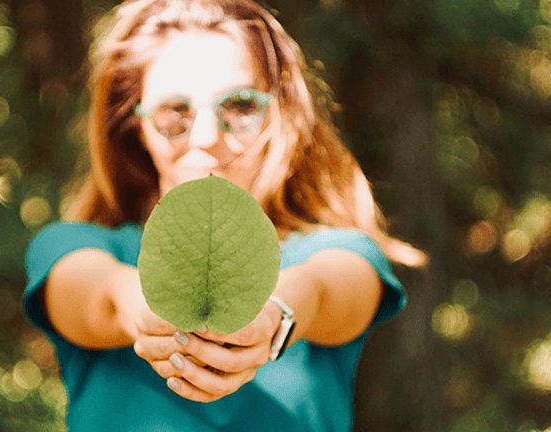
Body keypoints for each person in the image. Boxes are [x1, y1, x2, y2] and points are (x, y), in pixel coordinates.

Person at [22, 0, 425, 430]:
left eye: (240, 106)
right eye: (174, 112)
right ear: (135, 125)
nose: (207, 136)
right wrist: (144, 310)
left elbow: (324, 290)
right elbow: (99, 296)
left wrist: (274, 316)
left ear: (278, 113)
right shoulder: (71, 246)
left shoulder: (338, 251)